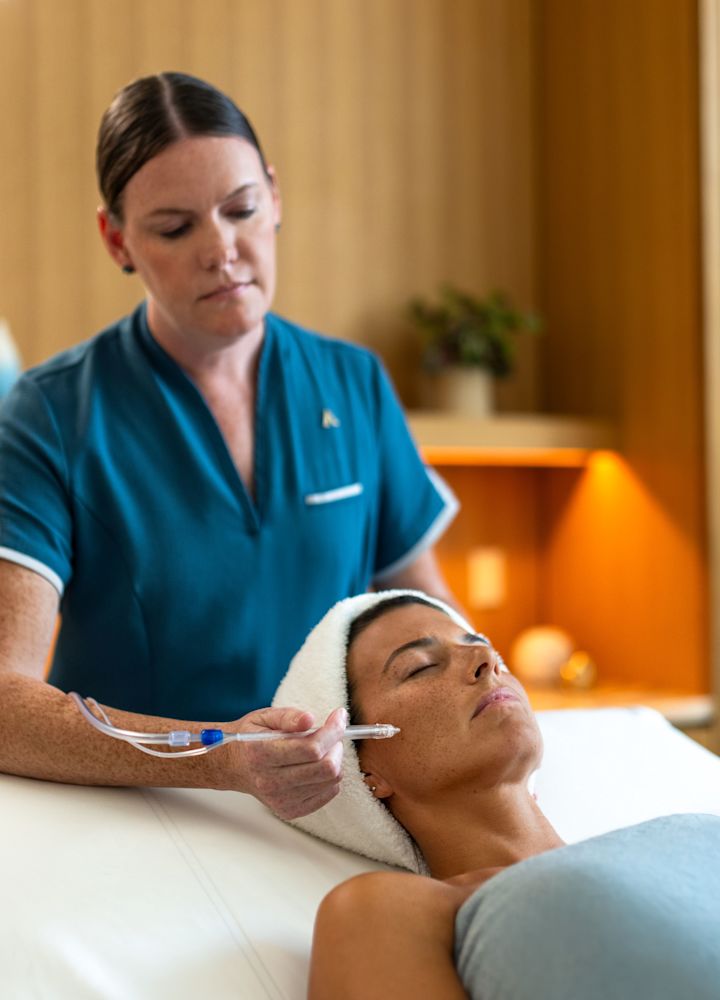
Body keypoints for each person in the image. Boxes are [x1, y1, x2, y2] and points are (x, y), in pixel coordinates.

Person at [0, 73, 459, 820]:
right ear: (116, 239)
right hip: (140, 817)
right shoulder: (51, 413)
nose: (223, 250)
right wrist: (220, 756)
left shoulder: (353, 383)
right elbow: (3, 705)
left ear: (274, 198)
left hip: (344, 807)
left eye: (241, 210)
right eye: (175, 228)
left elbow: (425, 610)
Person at [270, 592, 720, 999]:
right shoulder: (386, 912)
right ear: (362, 767)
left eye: (482, 643)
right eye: (422, 666)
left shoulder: (673, 834)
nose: (486, 657)